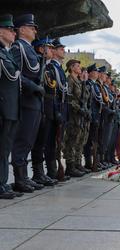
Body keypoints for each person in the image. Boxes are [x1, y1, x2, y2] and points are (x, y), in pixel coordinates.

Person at [11, 14, 44, 193]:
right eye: (31, 27)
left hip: (35, 102)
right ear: (22, 29)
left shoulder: (30, 49)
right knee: (22, 140)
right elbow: (15, 74)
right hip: (25, 100)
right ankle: (19, 179)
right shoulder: (18, 47)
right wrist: (33, 86)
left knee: (29, 140)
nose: (34, 30)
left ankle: (24, 177)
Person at [0, 14, 23, 199]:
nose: (13, 33)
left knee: (5, 148)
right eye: (10, 29)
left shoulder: (7, 54)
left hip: (11, 108)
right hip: (2, 107)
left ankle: (2, 182)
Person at [30, 37, 58, 186]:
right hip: (39, 106)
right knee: (36, 142)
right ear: (41, 49)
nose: (52, 51)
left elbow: (52, 91)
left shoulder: (48, 68)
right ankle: (37, 173)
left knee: (43, 142)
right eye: (49, 48)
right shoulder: (40, 66)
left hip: (48, 108)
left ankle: (40, 173)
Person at [47, 38, 70, 181]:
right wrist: (57, 111)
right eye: (61, 49)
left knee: (58, 142)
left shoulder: (59, 68)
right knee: (50, 141)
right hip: (55, 108)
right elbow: (53, 91)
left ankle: (55, 170)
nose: (63, 51)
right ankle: (51, 171)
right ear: (54, 51)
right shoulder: (51, 68)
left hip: (61, 108)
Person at [63, 59, 89, 177]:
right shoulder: (70, 80)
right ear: (72, 68)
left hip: (79, 115)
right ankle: (70, 166)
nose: (80, 68)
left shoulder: (78, 81)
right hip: (73, 115)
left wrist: (83, 82)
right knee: (71, 141)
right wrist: (79, 109)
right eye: (78, 66)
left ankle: (76, 164)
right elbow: (69, 98)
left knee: (78, 140)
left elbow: (83, 98)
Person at [83, 63, 103, 172]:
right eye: (95, 71)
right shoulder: (88, 84)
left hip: (96, 116)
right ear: (90, 73)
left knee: (95, 140)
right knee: (88, 140)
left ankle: (95, 162)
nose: (97, 73)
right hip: (90, 115)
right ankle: (88, 162)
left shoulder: (95, 85)